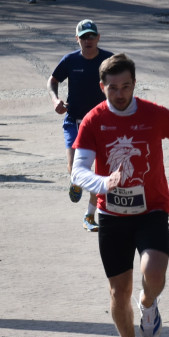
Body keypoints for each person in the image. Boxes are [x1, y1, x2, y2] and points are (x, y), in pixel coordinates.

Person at [69, 54, 169, 337]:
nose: (120, 93)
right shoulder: (93, 121)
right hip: (111, 214)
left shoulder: (153, 114)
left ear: (134, 84)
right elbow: (78, 171)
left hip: (151, 209)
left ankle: (149, 303)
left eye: (126, 86)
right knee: (118, 291)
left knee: (153, 272)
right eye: (113, 87)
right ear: (102, 88)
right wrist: (103, 183)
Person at [48, 19, 113, 231]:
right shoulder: (70, 60)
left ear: (98, 37)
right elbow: (52, 80)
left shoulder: (108, 60)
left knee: (99, 172)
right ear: (77, 39)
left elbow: (125, 82)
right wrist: (55, 100)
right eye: (83, 37)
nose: (88, 40)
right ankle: (75, 180)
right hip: (74, 120)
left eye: (91, 36)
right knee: (74, 168)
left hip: (101, 123)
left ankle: (89, 216)